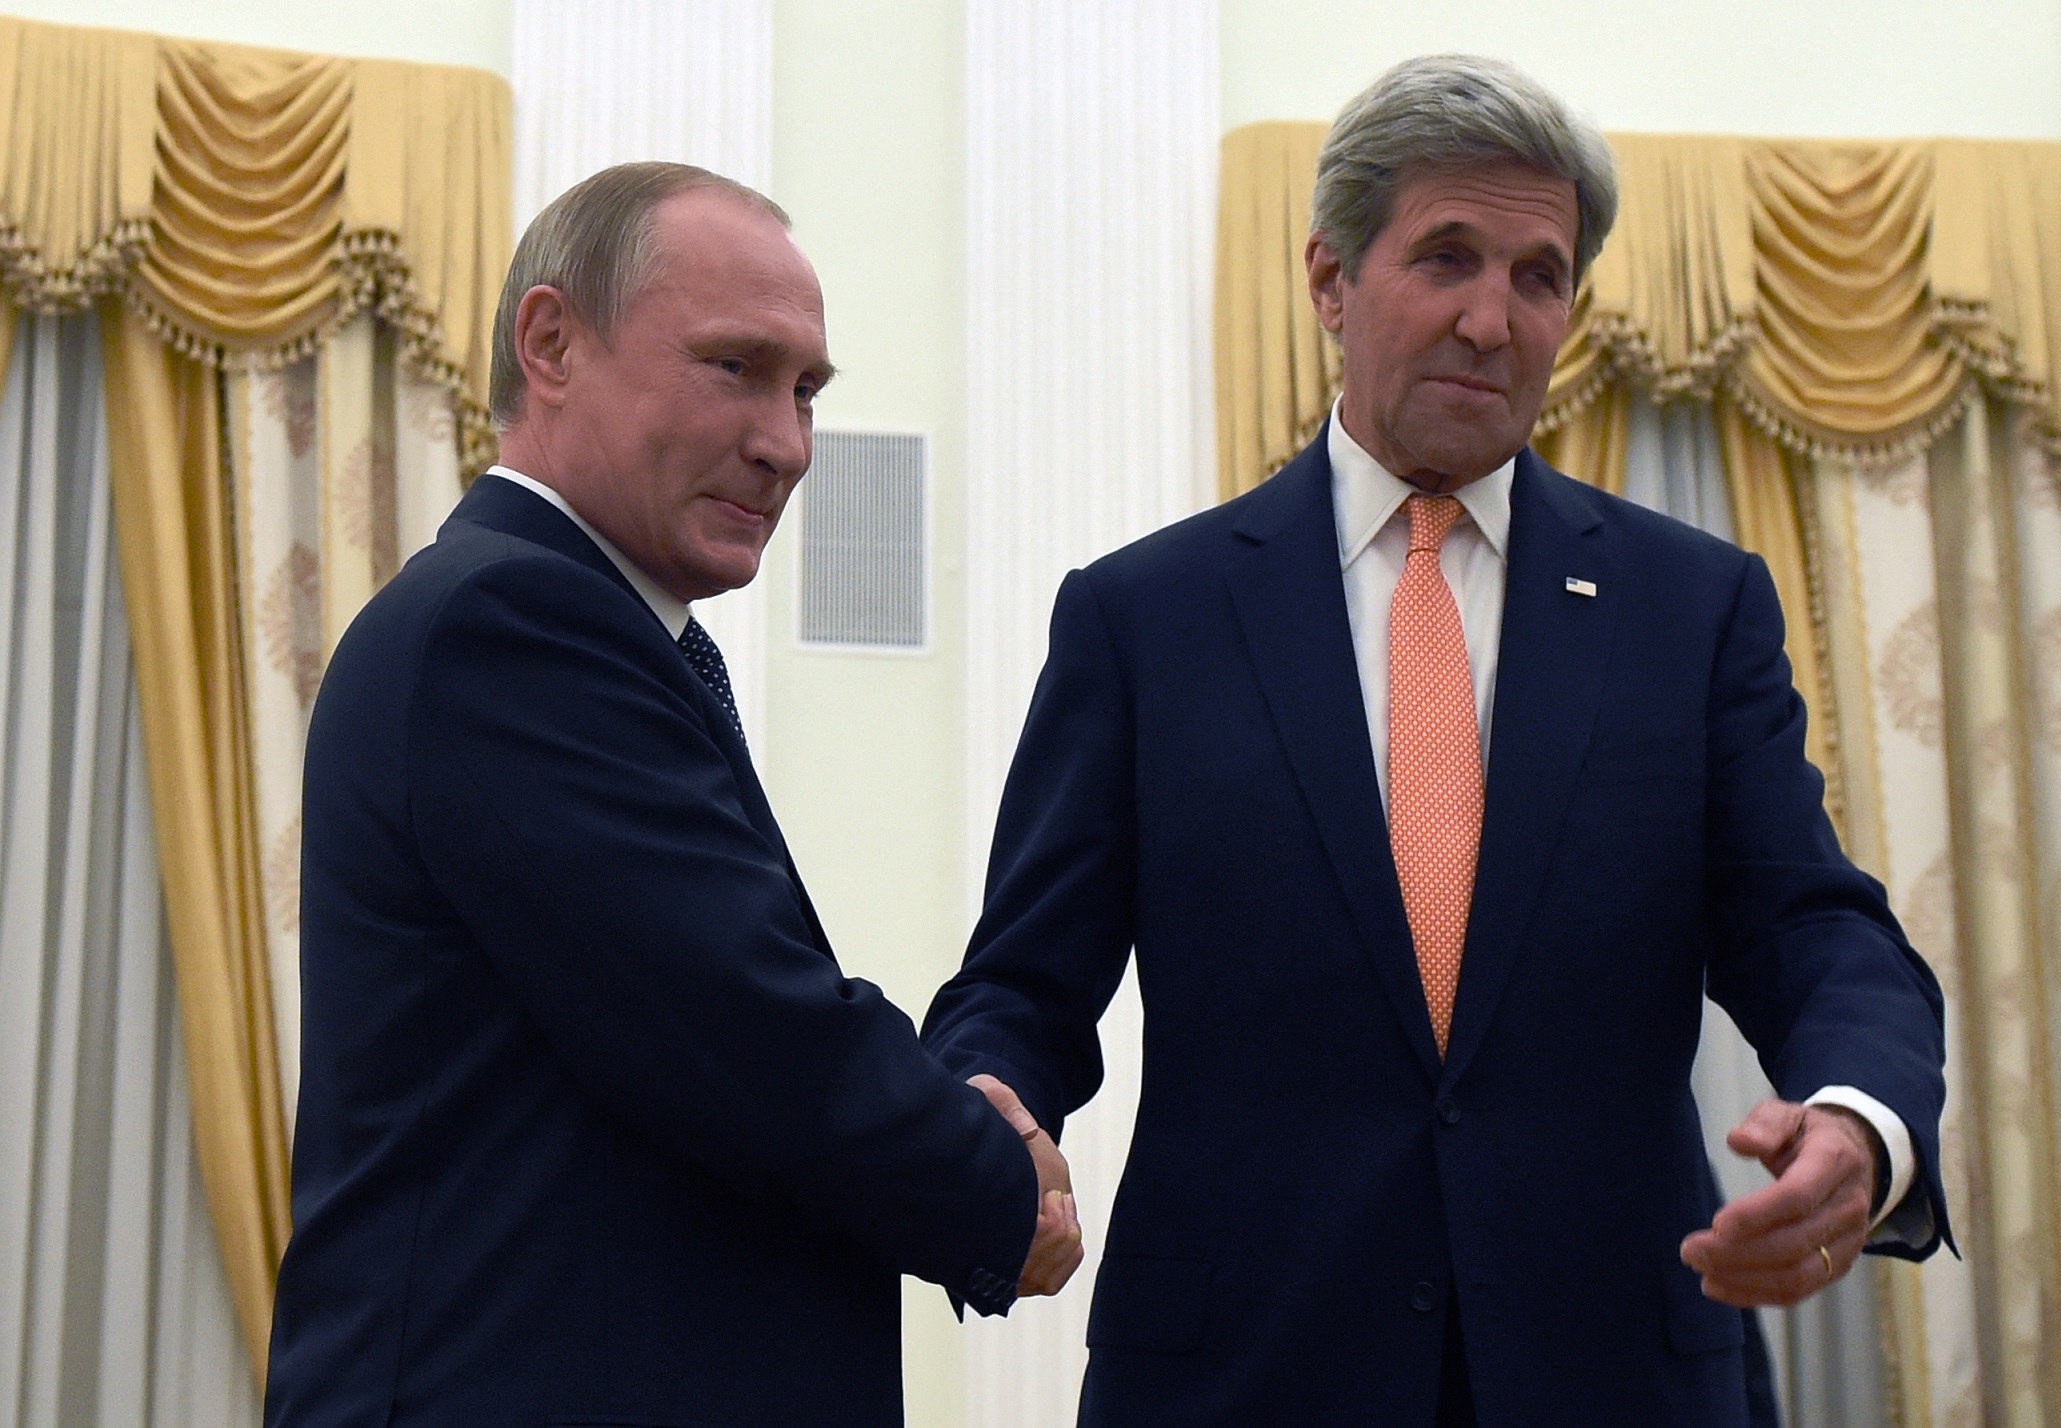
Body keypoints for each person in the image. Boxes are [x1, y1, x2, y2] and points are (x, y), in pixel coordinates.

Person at [922, 55, 1949, 1427]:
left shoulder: (1689, 608)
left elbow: (1811, 925)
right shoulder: (1145, 619)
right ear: (1329, 281)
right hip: (1242, 1373)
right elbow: (1025, 984)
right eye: (1447, 258)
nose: (1491, 317)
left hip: (1615, 1371)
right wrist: (986, 1102)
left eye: (1538, 275)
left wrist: (1860, 1119)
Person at [265, 162, 1081, 1428]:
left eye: (806, 390)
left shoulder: (568, 623)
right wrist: (993, 1181)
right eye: (735, 369)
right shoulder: (510, 621)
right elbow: (746, 1030)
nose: (787, 444)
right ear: (550, 343)